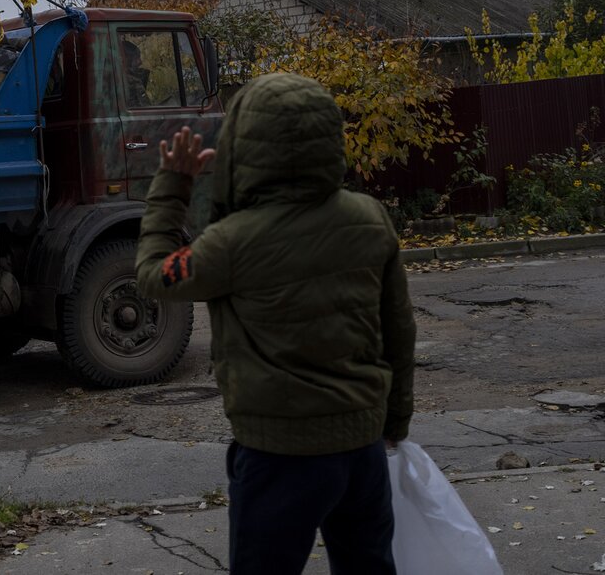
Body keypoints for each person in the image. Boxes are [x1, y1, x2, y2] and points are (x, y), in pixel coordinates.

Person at [134, 72, 415, 575]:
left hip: (278, 457)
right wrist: (393, 422)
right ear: (331, 137)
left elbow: (154, 276)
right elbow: (398, 329)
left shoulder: (231, 242)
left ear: (243, 145)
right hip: (361, 450)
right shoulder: (370, 219)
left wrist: (174, 186)